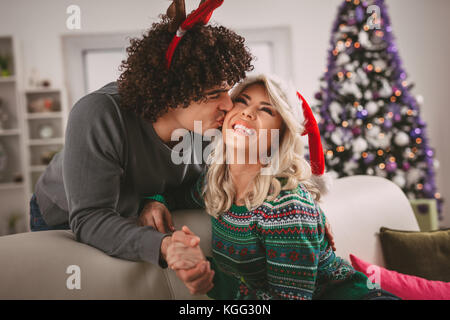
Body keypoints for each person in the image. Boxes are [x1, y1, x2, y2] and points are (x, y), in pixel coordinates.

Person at [29, 0, 252, 287]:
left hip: (129, 209)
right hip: (65, 213)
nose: (228, 104)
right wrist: (165, 245)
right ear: (172, 92)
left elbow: (201, 186)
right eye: (214, 94)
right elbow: (90, 218)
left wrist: (299, 208)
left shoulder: (209, 126)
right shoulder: (98, 114)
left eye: (228, 91)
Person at [156, 74, 400, 300]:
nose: (248, 114)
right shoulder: (215, 183)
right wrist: (153, 201)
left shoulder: (287, 206)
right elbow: (170, 194)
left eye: (266, 110)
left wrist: (207, 274)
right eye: (242, 101)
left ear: (280, 136)